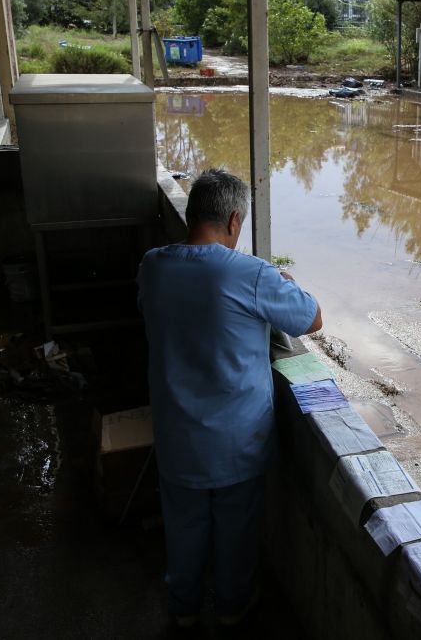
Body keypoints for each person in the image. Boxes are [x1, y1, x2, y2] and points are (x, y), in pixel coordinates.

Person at [137, 168, 322, 632]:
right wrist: (282, 279)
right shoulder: (250, 274)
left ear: (193, 214)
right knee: (235, 531)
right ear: (235, 221)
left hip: (177, 436)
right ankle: (231, 607)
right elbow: (312, 318)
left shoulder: (153, 266)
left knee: (184, 528)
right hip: (236, 441)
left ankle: (182, 608)